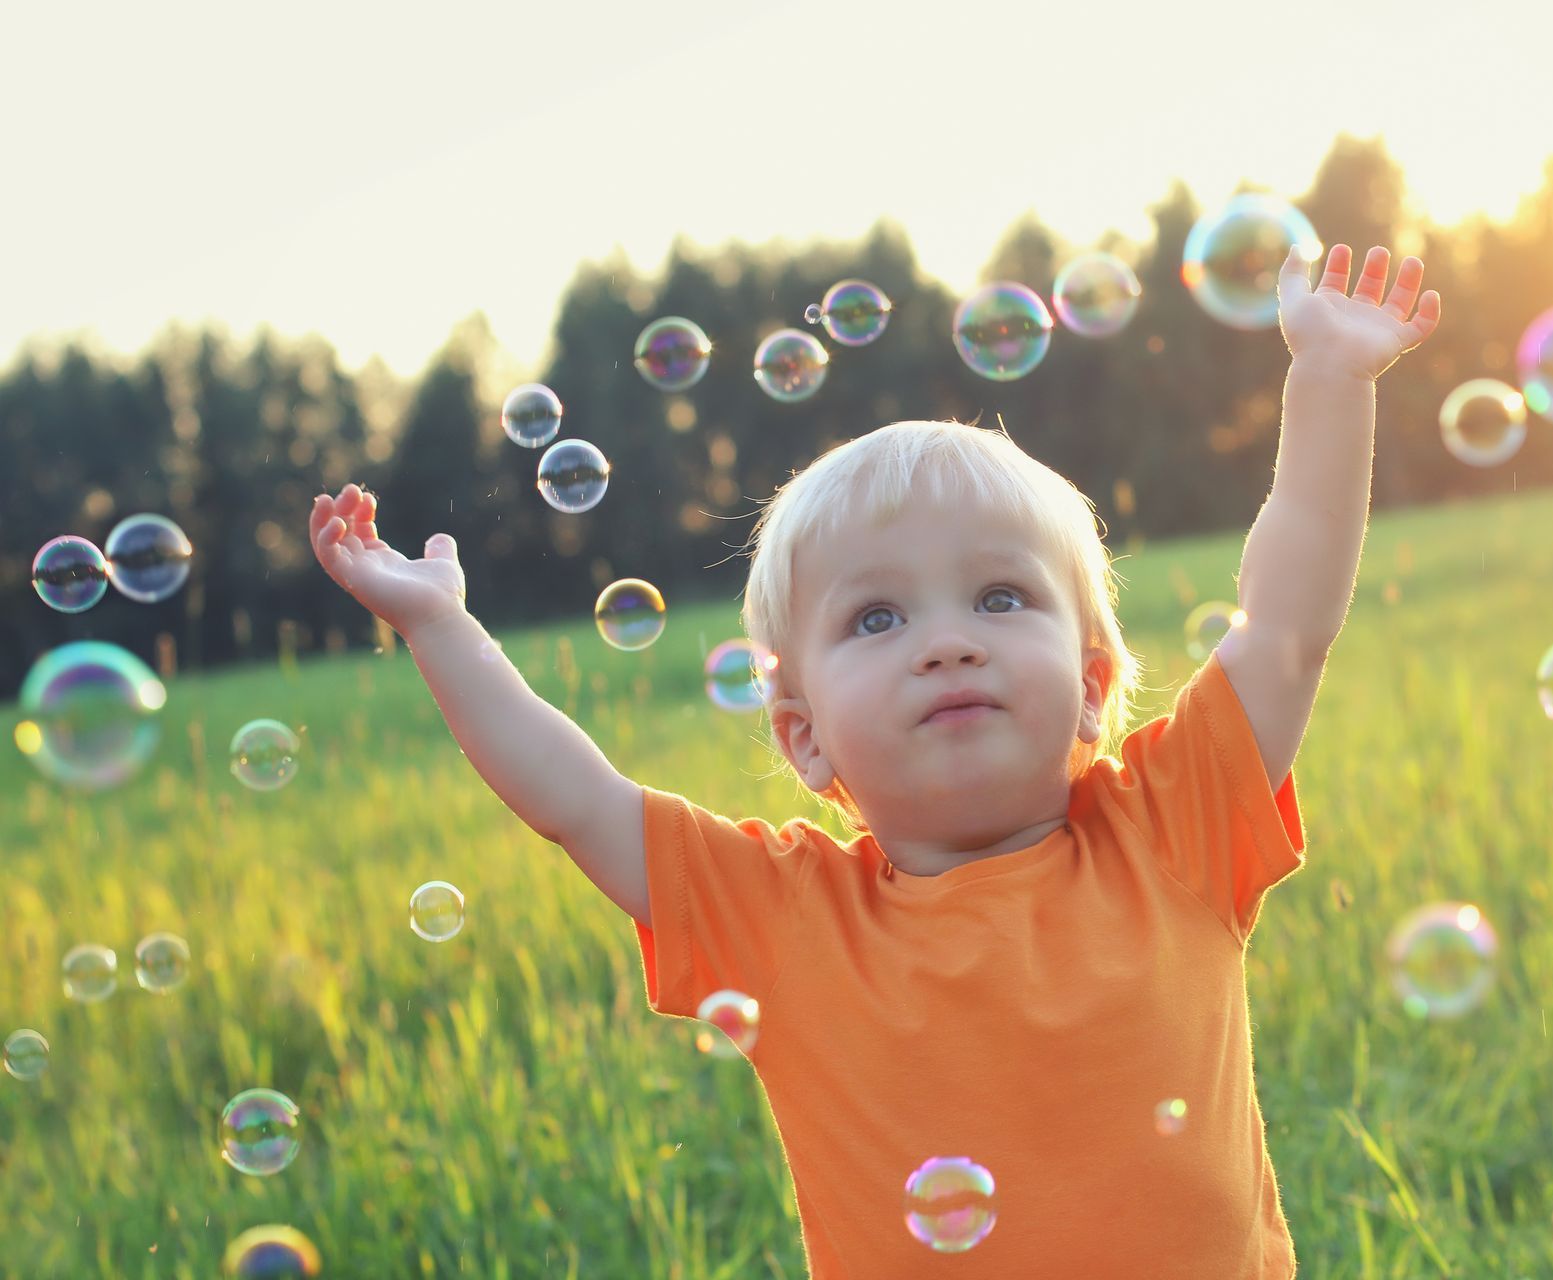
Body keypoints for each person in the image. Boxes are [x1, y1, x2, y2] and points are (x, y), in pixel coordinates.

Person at [309, 242, 1441, 1278]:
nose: (949, 638)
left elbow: (1287, 623)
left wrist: (1330, 381)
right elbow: (576, 801)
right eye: (876, 619)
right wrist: (439, 625)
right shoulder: (788, 918)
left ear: (1093, 685)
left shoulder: (1169, 828)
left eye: (1000, 596)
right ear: (802, 735)